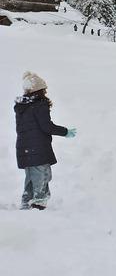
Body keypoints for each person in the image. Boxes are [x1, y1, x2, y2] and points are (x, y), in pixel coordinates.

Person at [14, 71, 76, 210]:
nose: (46, 92)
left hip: (24, 148)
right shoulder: (39, 105)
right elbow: (46, 127)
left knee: (31, 177)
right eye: (44, 89)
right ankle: (38, 205)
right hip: (37, 149)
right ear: (39, 91)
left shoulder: (22, 107)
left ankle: (26, 203)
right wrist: (65, 131)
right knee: (42, 176)